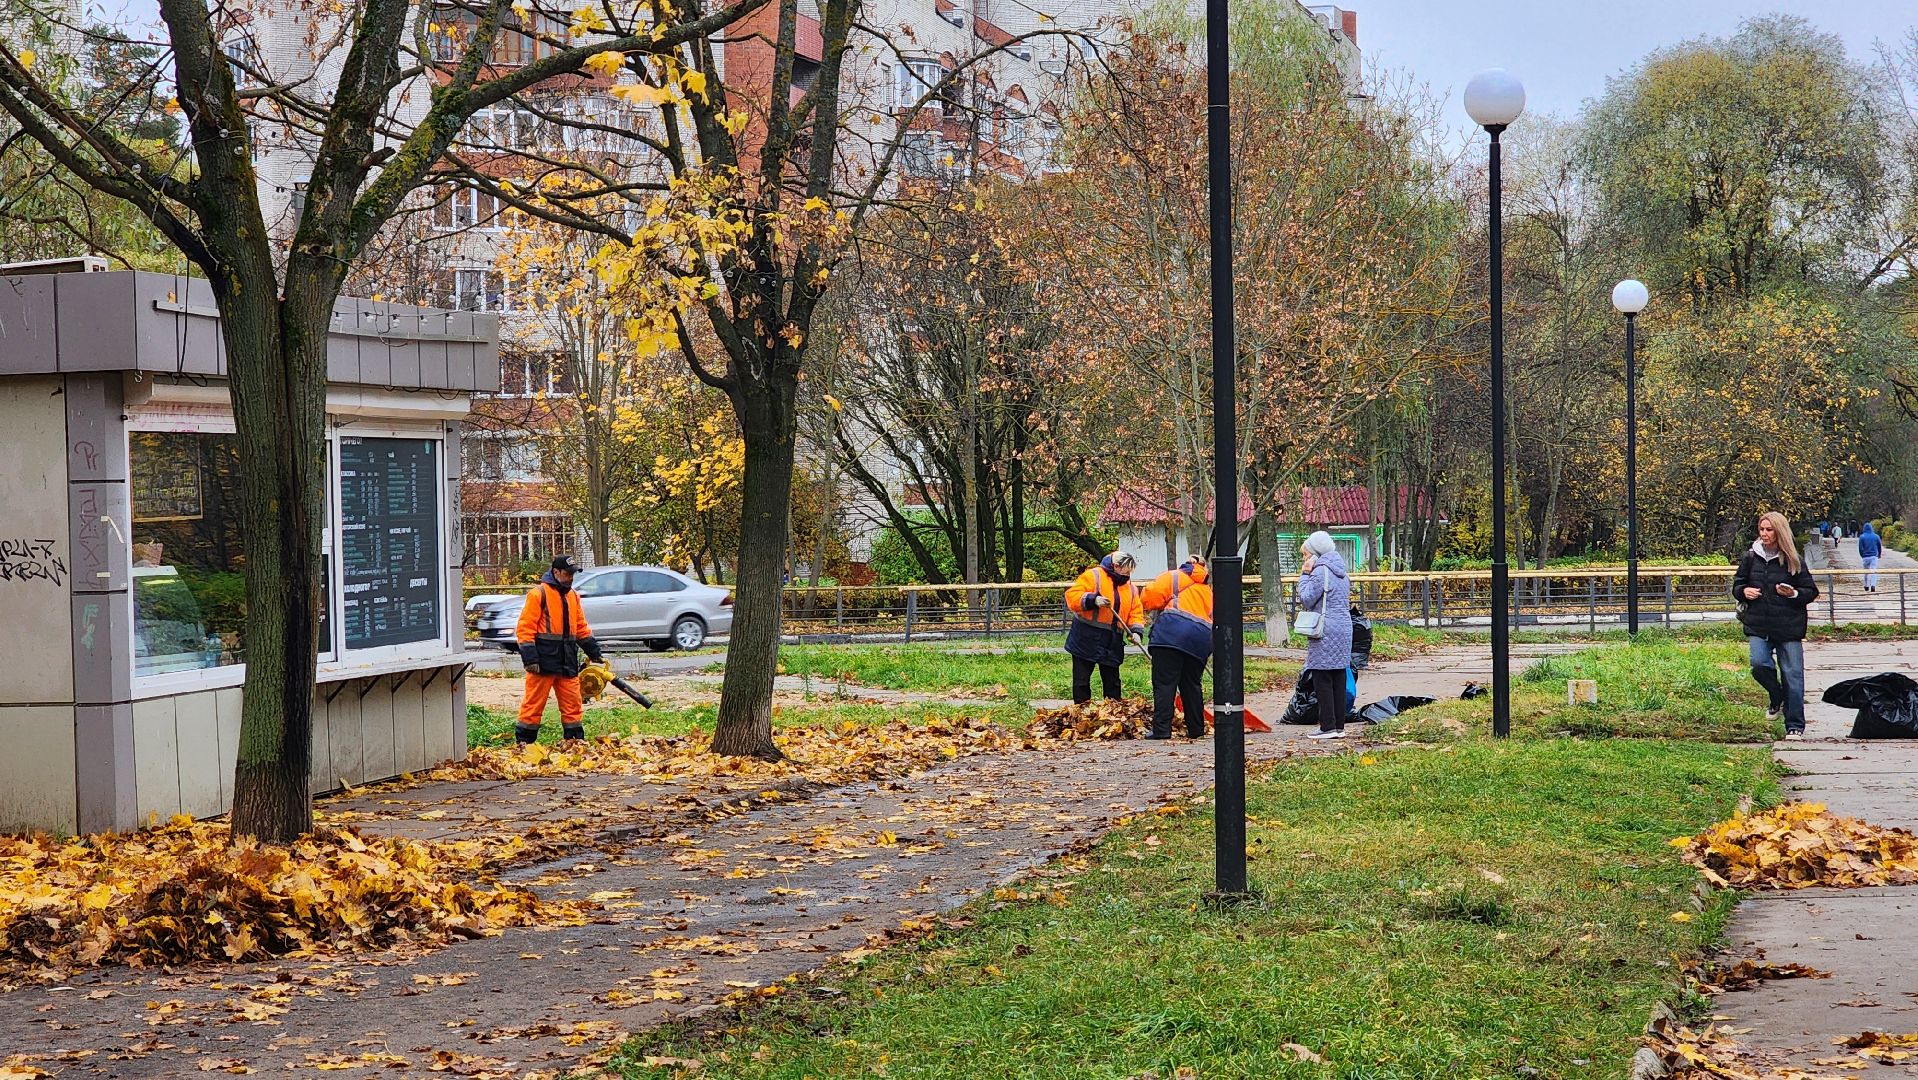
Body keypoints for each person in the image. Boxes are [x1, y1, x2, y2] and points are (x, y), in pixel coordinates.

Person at [1733, 512, 1818, 740]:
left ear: (1779, 531)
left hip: (1788, 626)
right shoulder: (1751, 557)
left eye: (1769, 530)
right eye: (1762, 529)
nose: (1764, 534)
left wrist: (1793, 593)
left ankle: (1795, 726)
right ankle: (1776, 695)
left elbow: (1811, 591)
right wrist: (1744, 591)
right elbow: (1738, 585)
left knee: (1793, 675)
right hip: (1759, 624)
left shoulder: (1794, 559)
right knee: (1759, 664)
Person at [515, 554, 605, 745]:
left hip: (567, 660)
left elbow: (580, 627)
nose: (571, 578)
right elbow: (525, 628)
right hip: (543, 662)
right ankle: (524, 745)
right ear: (556, 572)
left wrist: (594, 652)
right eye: (567, 573)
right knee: (533, 705)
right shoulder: (538, 594)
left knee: (573, 704)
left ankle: (574, 743)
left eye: (573, 574)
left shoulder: (573, 596)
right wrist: (530, 660)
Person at [1140, 556, 1213, 740]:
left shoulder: (1172, 577)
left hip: (1170, 635)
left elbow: (1148, 599)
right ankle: (1196, 729)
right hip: (1200, 639)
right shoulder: (1208, 590)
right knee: (1191, 684)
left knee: (1165, 683)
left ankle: (1161, 730)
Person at [1296, 532, 1354, 741]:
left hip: (1325, 628)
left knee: (1322, 677)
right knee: (1338, 676)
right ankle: (1339, 726)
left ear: (1315, 554)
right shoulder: (1342, 572)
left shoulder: (1320, 571)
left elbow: (1307, 599)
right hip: (1344, 627)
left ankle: (1327, 726)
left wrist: (1304, 574)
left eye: (1306, 555)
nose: (1305, 559)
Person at [1064, 551, 1143, 704]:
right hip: (1086, 636)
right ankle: (1081, 713)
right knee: (1081, 680)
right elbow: (1072, 597)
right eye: (1125, 571)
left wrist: (1136, 631)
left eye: (1129, 572)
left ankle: (1113, 713)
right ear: (1115, 566)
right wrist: (1093, 600)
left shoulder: (1131, 588)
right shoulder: (1093, 576)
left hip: (1112, 640)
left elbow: (1135, 611)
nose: (1127, 576)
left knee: (1112, 682)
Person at [1858, 521, 1883, 593]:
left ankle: (1866, 585)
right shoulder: (1876, 536)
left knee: (1866, 572)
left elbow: (1860, 548)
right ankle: (1873, 585)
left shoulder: (1862, 537)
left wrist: (1862, 555)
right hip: (1874, 556)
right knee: (1873, 571)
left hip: (1865, 557)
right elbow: (1879, 546)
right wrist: (1879, 554)